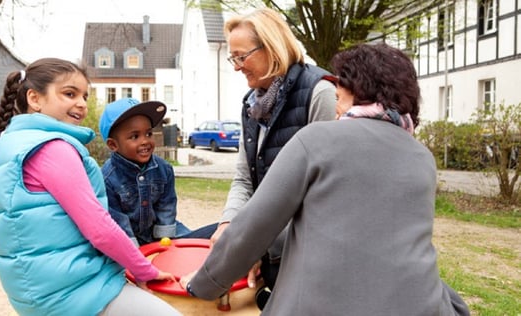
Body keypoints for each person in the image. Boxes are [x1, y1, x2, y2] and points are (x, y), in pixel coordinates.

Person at [180, 43, 471, 315]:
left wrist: (204, 282)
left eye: (340, 87)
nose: (335, 97)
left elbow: (253, 226)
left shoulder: (316, 139)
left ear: (360, 88)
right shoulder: (422, 157)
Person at [0, 58, 181, 316]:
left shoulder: (9, 146)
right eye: (69, 93)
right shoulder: (51, 148)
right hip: (75, 291)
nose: (81, 103)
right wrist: (143, 269)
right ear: (35, 98)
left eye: (84, 96)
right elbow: (99, 227)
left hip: (36, 289)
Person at [209, 7, 337, 307]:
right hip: (265, 233)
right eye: (233, 58)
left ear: (272, 47)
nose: (237, 67)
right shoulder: (251, 104)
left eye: (242, 56)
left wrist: (256, 244)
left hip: (306, 247)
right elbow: (244, 179)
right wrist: (229, 225)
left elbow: (321, 197)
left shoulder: (320, 93)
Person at [99, 98, 217, 246]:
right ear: (113, 144)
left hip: (161, 233)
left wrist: (165, 240)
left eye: (148, 134)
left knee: (212, 235)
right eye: (135, 136)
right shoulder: (106, 179)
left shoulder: (164, 169)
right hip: (128, 240)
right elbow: (117, 221)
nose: (145, 141)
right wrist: (134, 253)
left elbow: (166, 206)